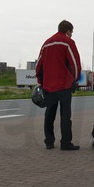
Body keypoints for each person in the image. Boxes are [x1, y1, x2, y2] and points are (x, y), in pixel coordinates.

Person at [36, 20, 82, 150]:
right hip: (64, 85)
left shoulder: (46, 43)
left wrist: (41, 81)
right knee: (65, 115)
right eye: (71, 33)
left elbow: (39, 64)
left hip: (49, 86)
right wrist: (75, 79)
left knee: (49, 114)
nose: (71, 35)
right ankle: (65, 142)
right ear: (68, 31)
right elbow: (75, 63)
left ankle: (49, 141)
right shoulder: (68, 42)